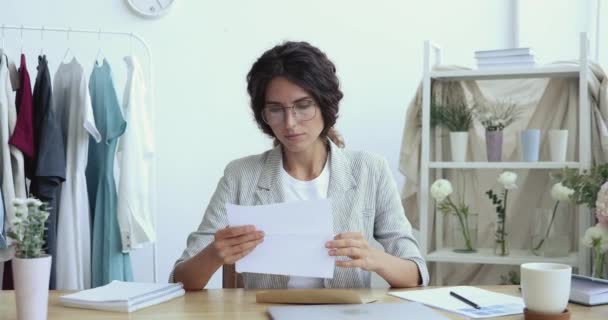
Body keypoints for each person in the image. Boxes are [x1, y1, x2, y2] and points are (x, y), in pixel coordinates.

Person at [171, 41, 429, 290]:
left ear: (325, 104)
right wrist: (214, 254)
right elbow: (180, 279)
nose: (290, 123)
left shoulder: (369, 169)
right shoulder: (241, 175)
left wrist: (374, 258)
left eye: (303, 106)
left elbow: (416, 274)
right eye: (275, 109)